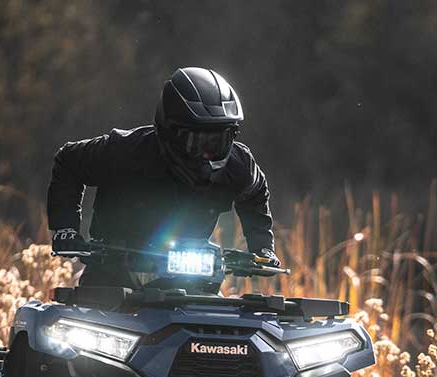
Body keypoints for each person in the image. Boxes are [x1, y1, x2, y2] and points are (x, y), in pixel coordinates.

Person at [46, 67, 277, 284]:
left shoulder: (240, 165)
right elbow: (68, 161)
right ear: (170, 132)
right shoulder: (124, 151)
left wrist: (262, 248)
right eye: (197, 142)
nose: (208, 154)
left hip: (192, 279)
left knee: (222, 324)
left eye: (220, 141)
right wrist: (66, 227)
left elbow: (255, 193)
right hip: (112, 275)